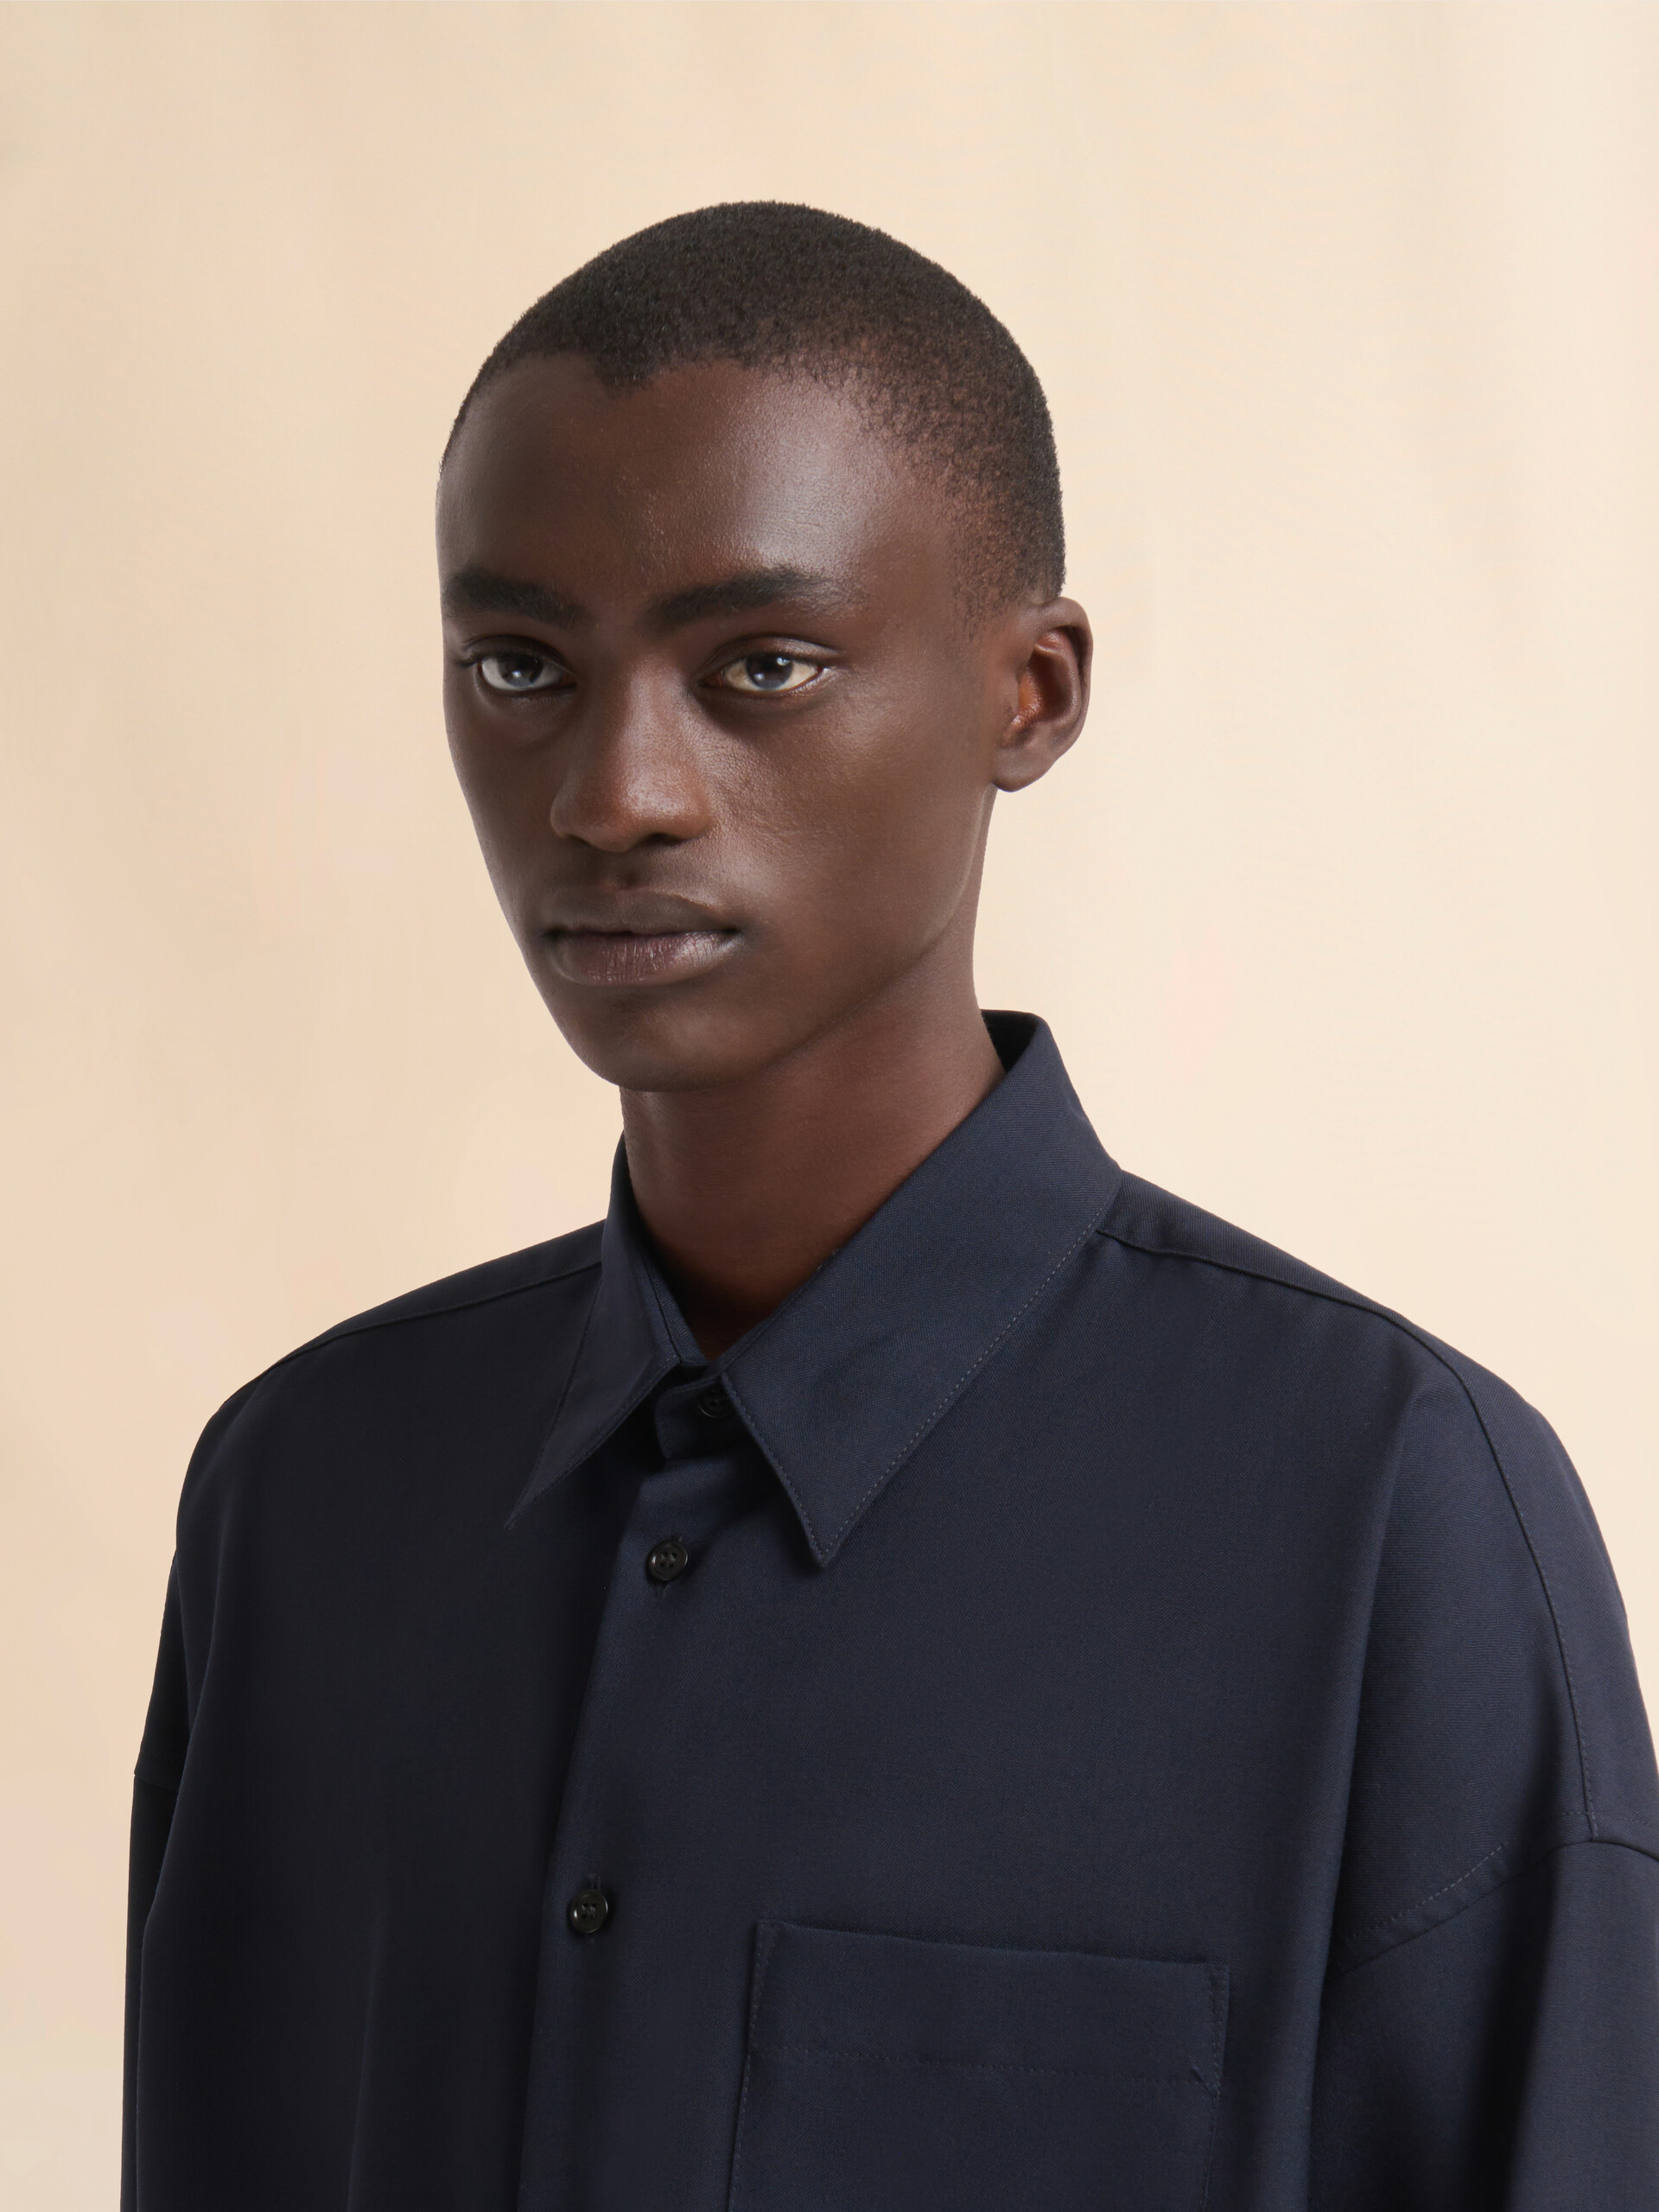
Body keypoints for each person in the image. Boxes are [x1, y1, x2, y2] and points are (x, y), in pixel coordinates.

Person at [123, 203, 1658, 2211]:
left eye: (759, 664)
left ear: (1031, 693)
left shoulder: (1393, 1514)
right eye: (520, 665)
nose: (614, 792)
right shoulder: (304, 1495)